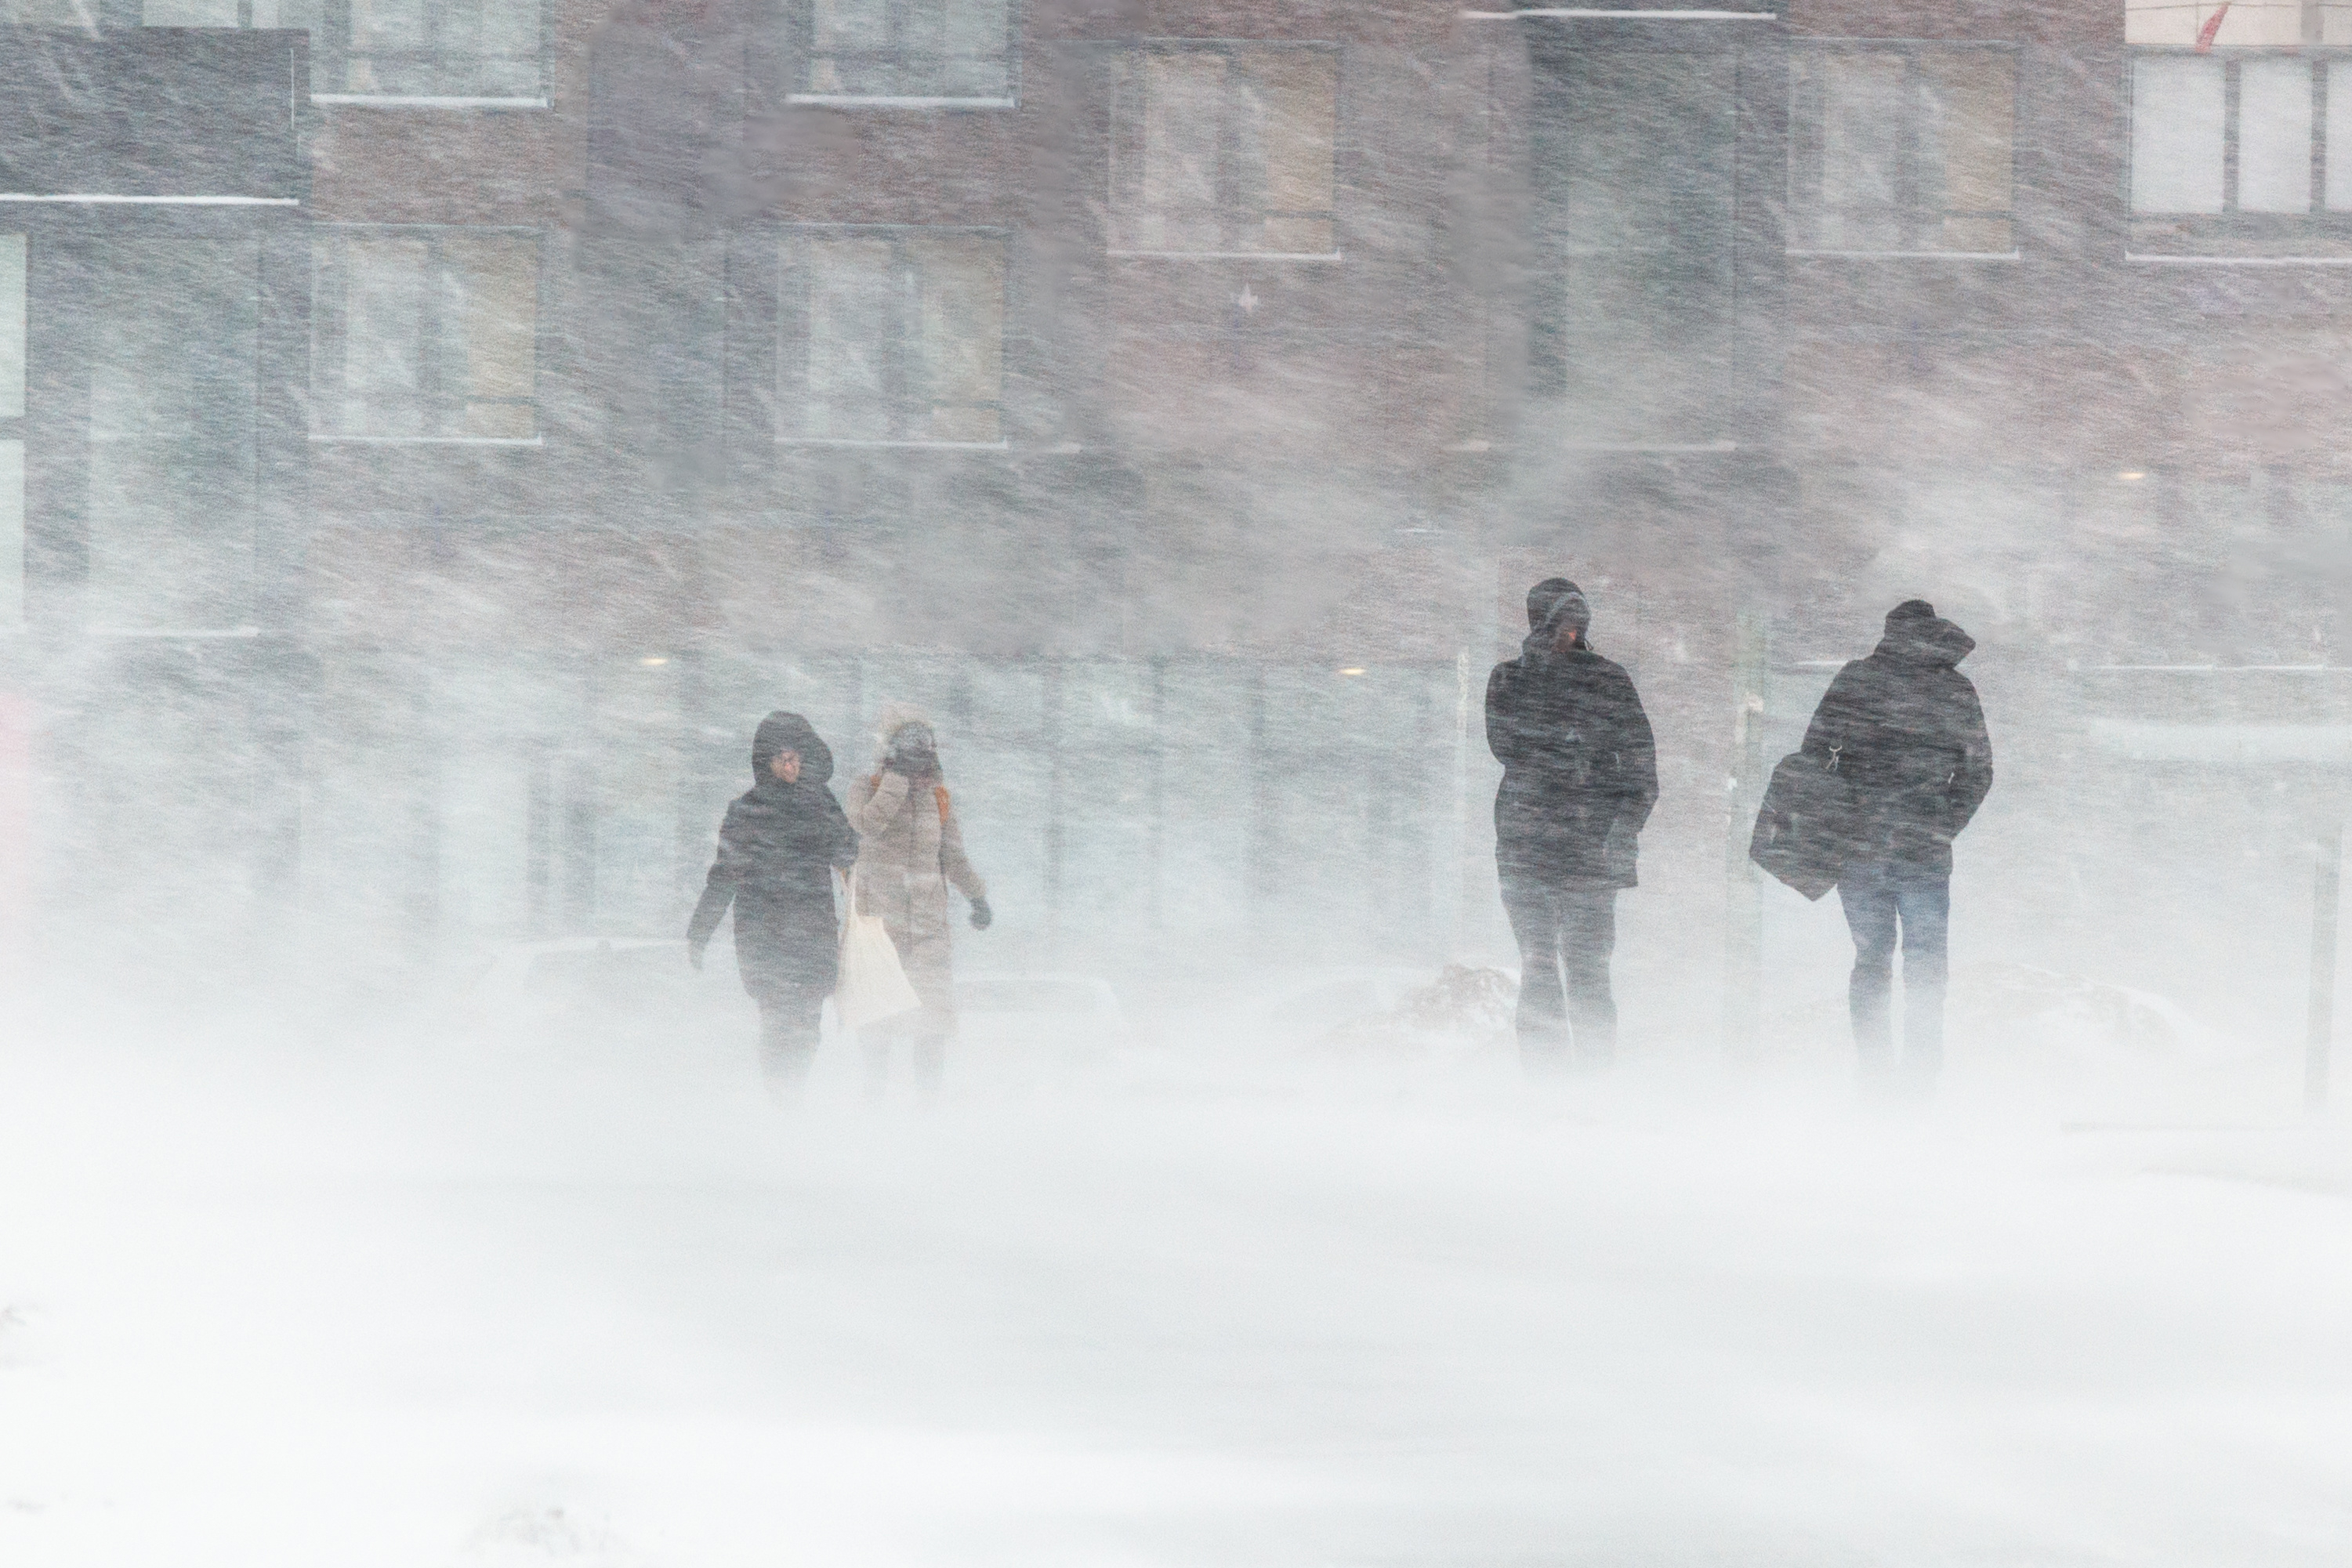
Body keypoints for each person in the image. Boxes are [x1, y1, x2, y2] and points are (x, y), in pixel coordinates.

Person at [1799, 599, 1993, 1092]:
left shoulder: (1857, 679)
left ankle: (1875, 1073)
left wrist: (1841, 811)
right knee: (1926, 964)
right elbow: (1978, 770)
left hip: (1861, 847)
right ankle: (1922, 1073)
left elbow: (1812, 755)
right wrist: (1943, 822)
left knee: (1871, 958)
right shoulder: (1953, 687)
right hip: (1923, 850)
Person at [1486, 578, 1658, 1070]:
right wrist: (1572, 741)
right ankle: (1547, 1083)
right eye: (1561, 621)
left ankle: (1594, 1083)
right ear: (1539, 623)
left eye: (1579, 621)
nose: (1571, 631)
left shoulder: (1609, 679)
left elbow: (1643, 769)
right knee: (1539, 968)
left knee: (1588, 973)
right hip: (1527, 850)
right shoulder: (1510, 679)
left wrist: (1622, 830)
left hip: (1589, 851)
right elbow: (1507, 746)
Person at [687, 711, 859, 1100]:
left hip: (812, 933)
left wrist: (822, 810)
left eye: (797, 757)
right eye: (783, 758)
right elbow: (724, 876)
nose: (791, 765)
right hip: (766, 936)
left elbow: (848, 851)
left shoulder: (819, 803)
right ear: (767, 762)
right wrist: (700, 931)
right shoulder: (746, 811)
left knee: (808, 1027)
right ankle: (781, 1101)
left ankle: (789, 1097)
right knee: (778, 1023)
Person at [846, 711, 991, 1101]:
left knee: (932, 1023)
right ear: (893, 754)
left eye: (925, 754)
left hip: (929, 931)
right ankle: (875, 1100)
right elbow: (866, 825)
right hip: (880, 927)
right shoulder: (868, 786)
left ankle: (928, 1102)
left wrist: (976, 896)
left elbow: (953, 855)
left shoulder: (938, 799)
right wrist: (896, 782)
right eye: (912, 754)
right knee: (880, 1021)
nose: (922, 764)